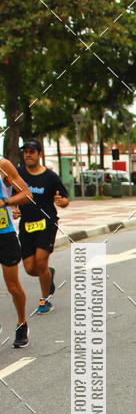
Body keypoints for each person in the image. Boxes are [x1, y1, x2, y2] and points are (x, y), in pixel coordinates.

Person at [18, 139, 69, 315]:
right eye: (26, 151)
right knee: (30, 269)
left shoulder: (50, 177)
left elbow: (65, 199)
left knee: (40, 263)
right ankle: (49, 274)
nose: (28, 155)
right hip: (26, 225)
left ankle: (45, 300)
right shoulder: (18, 174)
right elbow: (10, 195)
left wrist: (62, 201)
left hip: (47, 223)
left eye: (32, 151)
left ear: (40, 154)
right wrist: (13, 208)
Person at [0, 157, 33, 347]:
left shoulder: (3, 166)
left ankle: (22, 323)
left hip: (5, 235)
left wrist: (6, 201)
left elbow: (27, 195)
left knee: (13, 287)